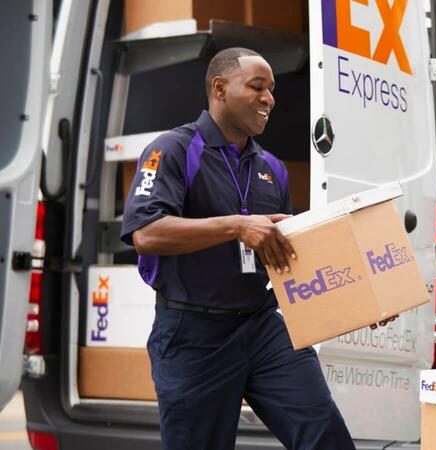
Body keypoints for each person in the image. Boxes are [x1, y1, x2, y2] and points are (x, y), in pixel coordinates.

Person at [120, 47, 358, 450]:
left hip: (263, 327)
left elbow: (289, 258)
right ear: (219, 88)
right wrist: (236, 225)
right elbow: (146, 232)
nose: (270, 99)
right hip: (194, 335)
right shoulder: (173, 150)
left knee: (325, 434)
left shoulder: (272, 169)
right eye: (257, 87)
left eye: (272, 89)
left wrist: (359, 303)